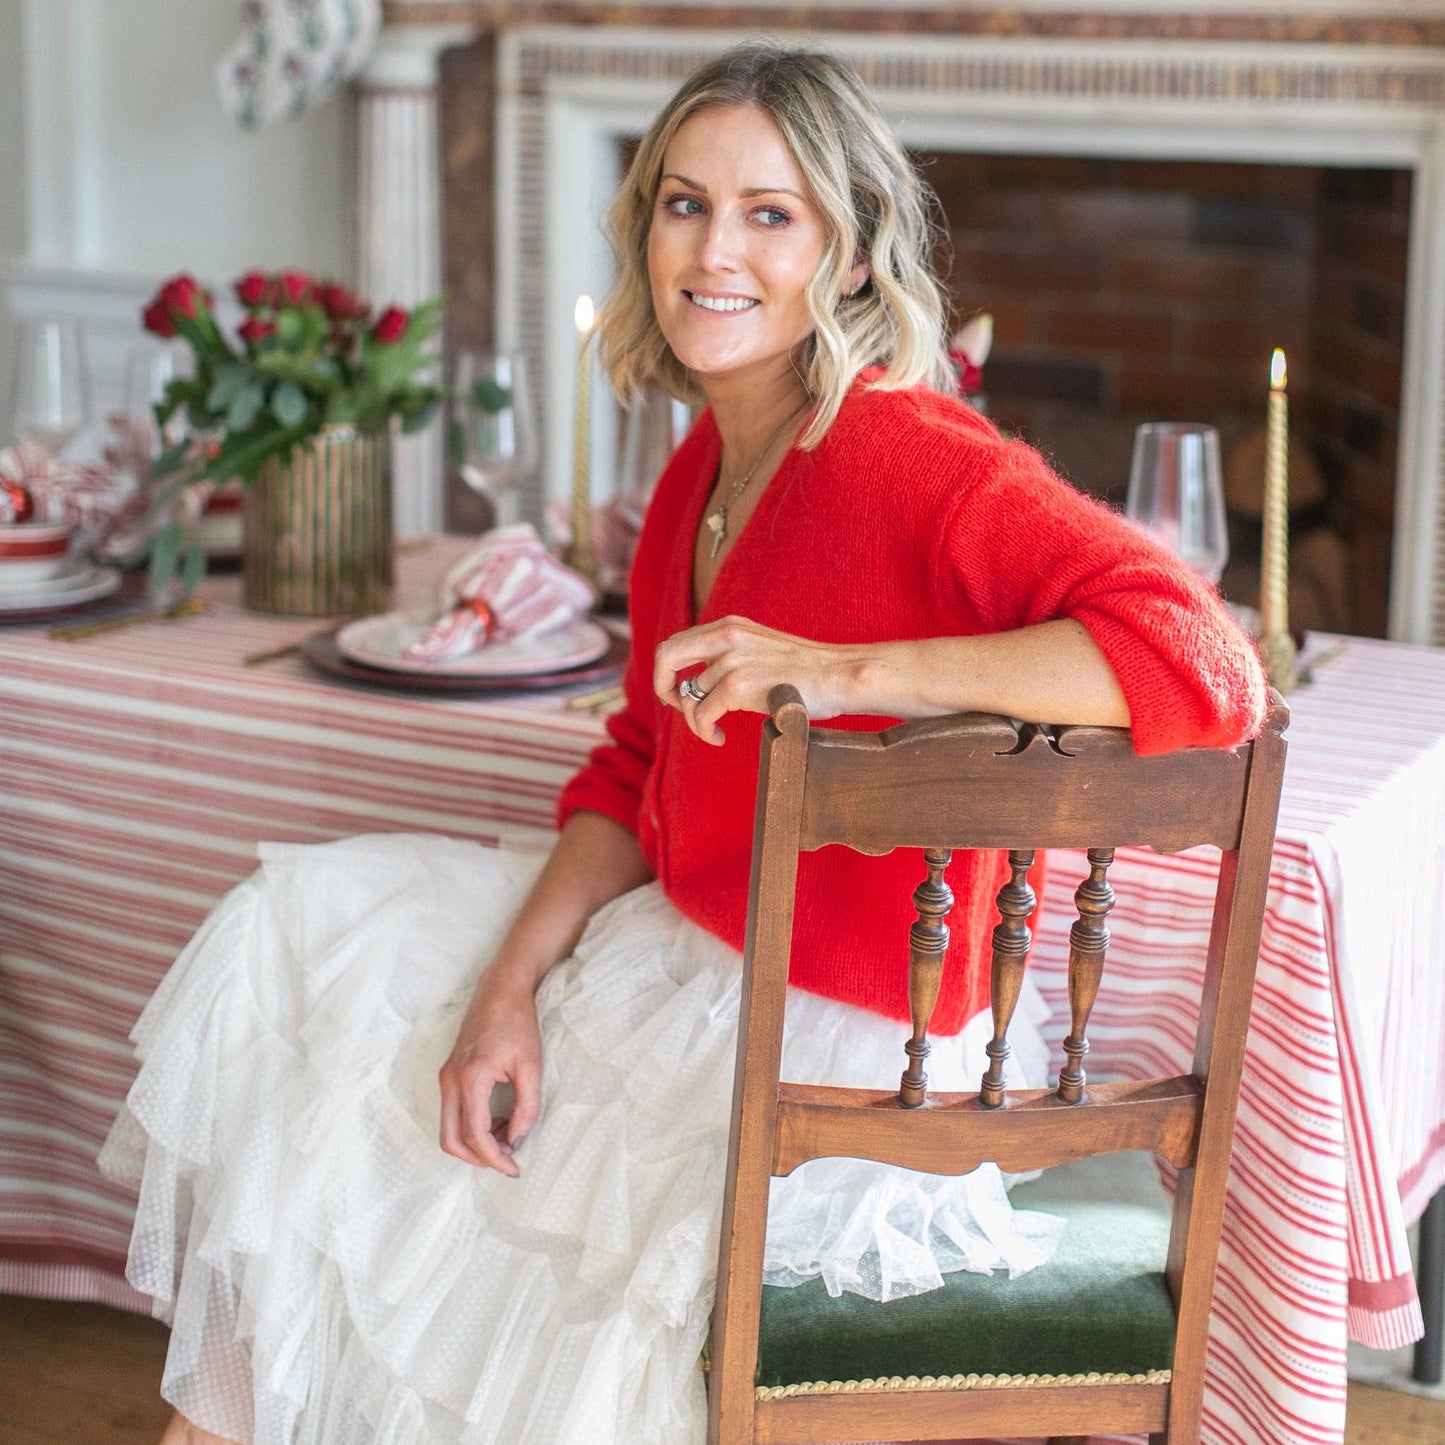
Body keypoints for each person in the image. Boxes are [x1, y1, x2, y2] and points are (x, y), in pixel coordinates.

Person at [102, 42, 1266, 1445]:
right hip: (693, 945)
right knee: (312, 957)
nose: (715, 248)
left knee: (426, 1187)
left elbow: (1209, 665)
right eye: (683, 203)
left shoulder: (915, 459)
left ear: (847, 257)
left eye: (771, 213)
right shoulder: (695, 476)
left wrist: (839, 671)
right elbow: (637, 770)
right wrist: (510, 988)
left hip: (843, 1029)